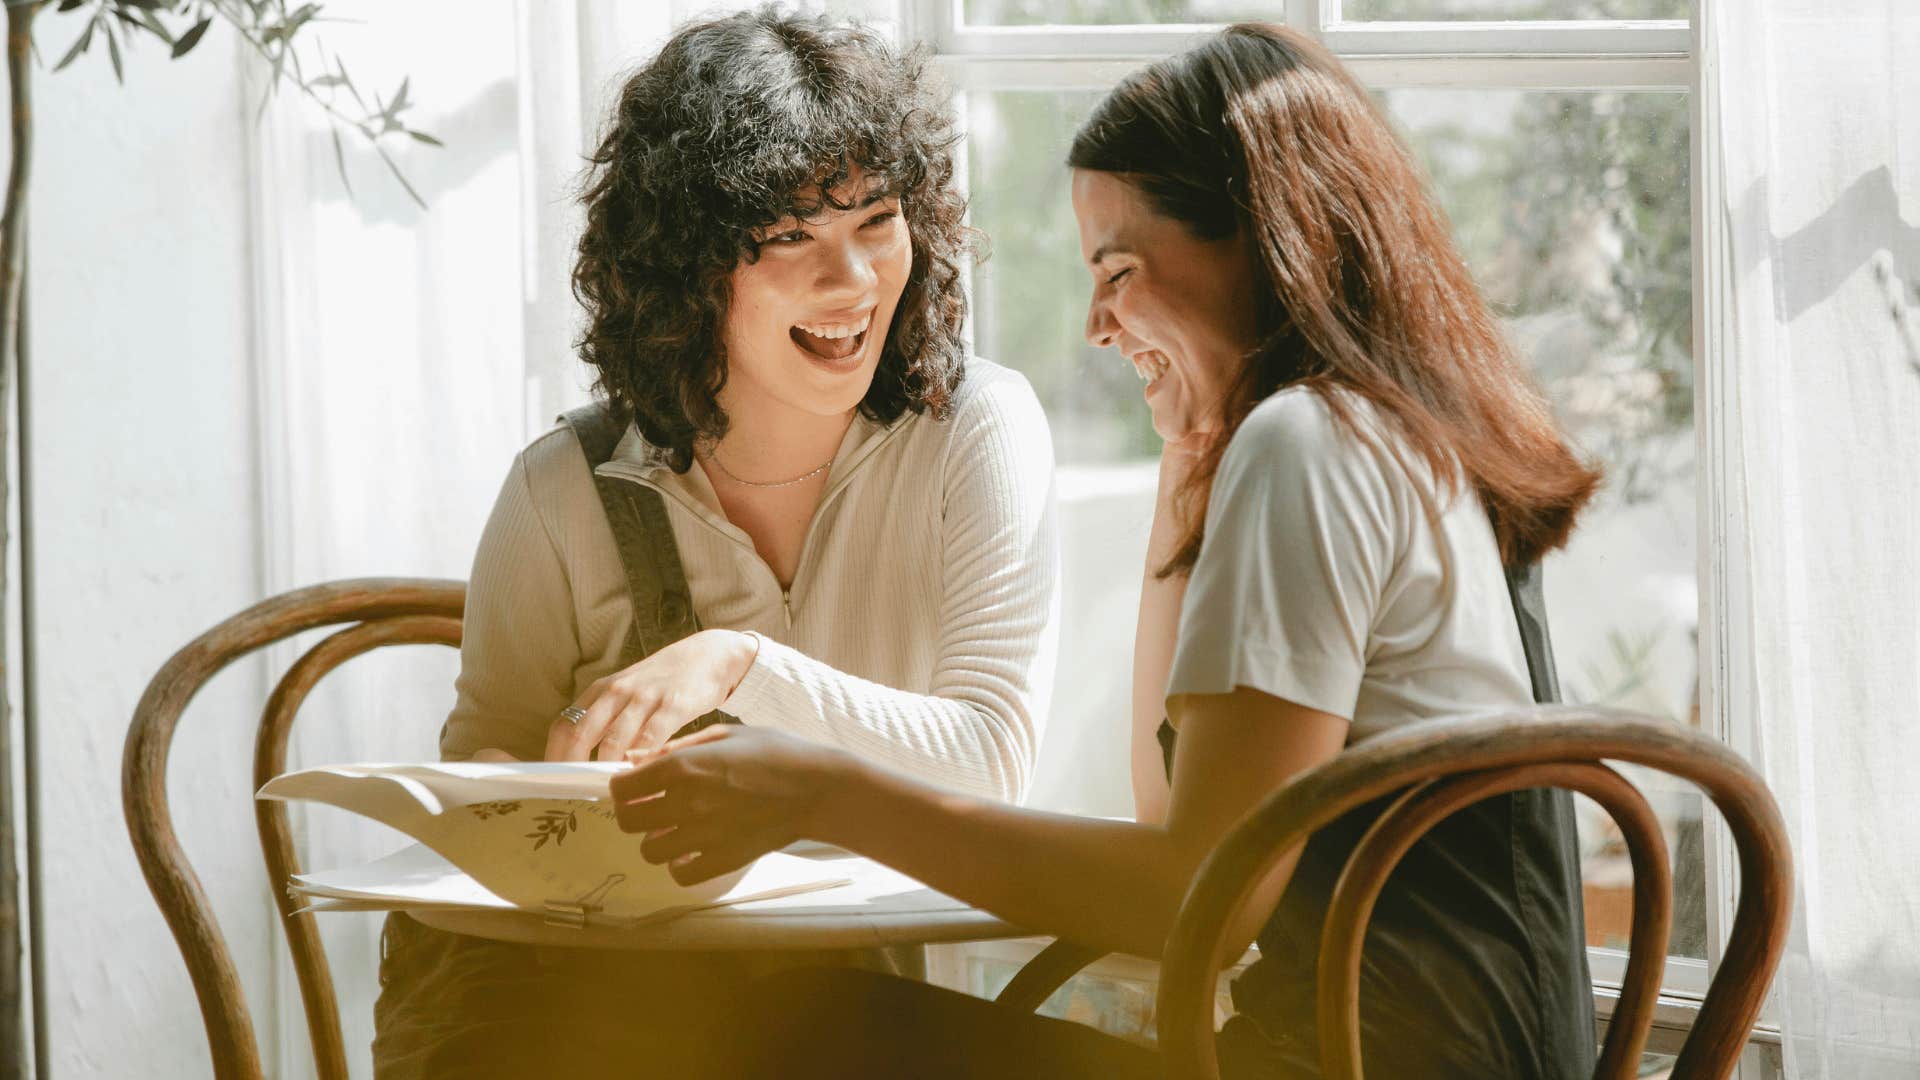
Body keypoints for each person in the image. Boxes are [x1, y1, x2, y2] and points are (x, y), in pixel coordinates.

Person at [611, 21, 1605, 1079]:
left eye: (1120, 268)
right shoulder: (1395, 430)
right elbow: (1173, 823)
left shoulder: (1307, 443)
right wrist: (1188, 466)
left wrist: (822, 794)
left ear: (1267, 241)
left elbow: (1197, 906)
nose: (1094, 322)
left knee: (803, 1028)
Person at [370, 8, 1058, 1078]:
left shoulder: (974, 430)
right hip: (591, 1005)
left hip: (844, 1017)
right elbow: (485, 762)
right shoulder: (564, 487)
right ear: (689, 269)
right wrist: (542, 793)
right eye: (790, 237)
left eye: (876, 219)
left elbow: (992, 768)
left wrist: (740, 664)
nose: (855, 281)